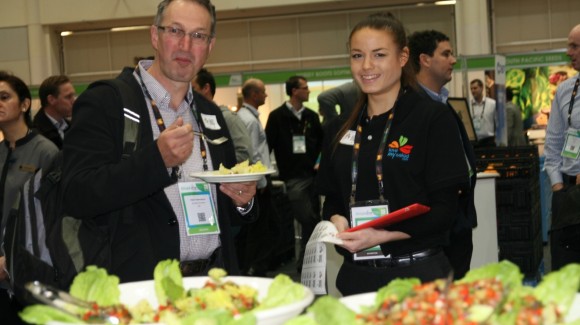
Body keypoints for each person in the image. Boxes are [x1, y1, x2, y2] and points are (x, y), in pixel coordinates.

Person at [61, 0, 257, 283]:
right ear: (155, 36)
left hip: (213, 282)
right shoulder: (106, 102)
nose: (186, 45)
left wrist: (243, 201)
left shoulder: (210, 112)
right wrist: (157, 160)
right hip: (141, 289)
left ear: (210, 46)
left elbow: (227, 213)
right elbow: (76, 195)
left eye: (198, 36)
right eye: (176, 31)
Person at [316, 12, 469, 296]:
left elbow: (445, 211)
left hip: (418, 279)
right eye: (357, 56)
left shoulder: (432, 119)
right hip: (357, 280)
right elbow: (333, 199)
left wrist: (382, 236)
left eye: (379, 54)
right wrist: (337, 220)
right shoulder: (340, 128)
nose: (367, 66)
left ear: (402, 57)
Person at [408, 29, 477, 280]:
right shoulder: (412, 107)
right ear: (425, 60)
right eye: (446, 54)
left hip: (457, 219)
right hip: (434, 226)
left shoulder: (442, 102)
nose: (453, 60)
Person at [0, 71, 59, 323]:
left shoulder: (46, 152)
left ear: (25, 104)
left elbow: (51, 220)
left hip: (26, 270)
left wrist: (8, 260)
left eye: (4, 97)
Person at [265, 75, 323, 272]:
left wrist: (319, 163)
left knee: (311, 219)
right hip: (292, 178)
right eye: (305, 88)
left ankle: (307, 263)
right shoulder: (276, 117)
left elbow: (322, 146)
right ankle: (306, 261)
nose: (309, 91)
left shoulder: (312, 117)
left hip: (312, 177)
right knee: (309, 218)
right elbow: (267, 146)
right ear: (295, 91)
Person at [544, 24, 580, 271]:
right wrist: (558, 185)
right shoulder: (566, 90)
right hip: (569, 196)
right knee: (568, 273)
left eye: (574, 46)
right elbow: (554, 141)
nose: (569, 52)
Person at [236, 78, 276, 276]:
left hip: (258, 180)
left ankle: (253, 267)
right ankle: (255, 270)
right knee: (259, 230)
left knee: (259, 229)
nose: (265, 95)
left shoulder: (246, 116)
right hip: (257, 182)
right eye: (263, 92)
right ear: (253, 95)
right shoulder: (249, 120)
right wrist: (260, 182)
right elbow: (252, 154)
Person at [192, 68, 252, 162]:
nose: (189, 94)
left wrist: (217, 165)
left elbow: (244, 153)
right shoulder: (193, 120)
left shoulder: (228, 118)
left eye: (193, 89)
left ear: (206, 88)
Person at [33, 75, 76, 149]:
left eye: (73, 96)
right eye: (68, 97)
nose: (74, 101)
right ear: (51, 100)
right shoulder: (35, 135)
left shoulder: (73, 127)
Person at [470, 78, 497, 147]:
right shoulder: (468, 105)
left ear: (482, 88)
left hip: (488, 141)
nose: (473, 91)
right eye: (471, 89)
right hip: (473, 143)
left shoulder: (492, 104)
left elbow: (497, 123)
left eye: (475, 88)